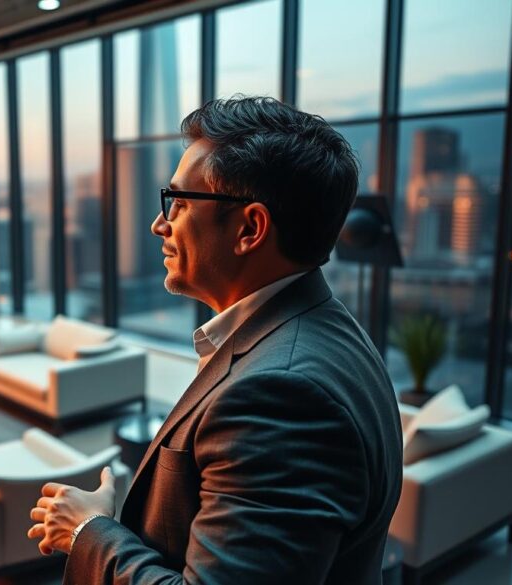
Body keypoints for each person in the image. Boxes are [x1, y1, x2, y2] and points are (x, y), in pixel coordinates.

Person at [27, 96, 403, 584]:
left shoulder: (282, 396)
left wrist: (87, 531)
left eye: (180, 203)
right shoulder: (326, 327)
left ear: (250, 228)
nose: (159, 224)